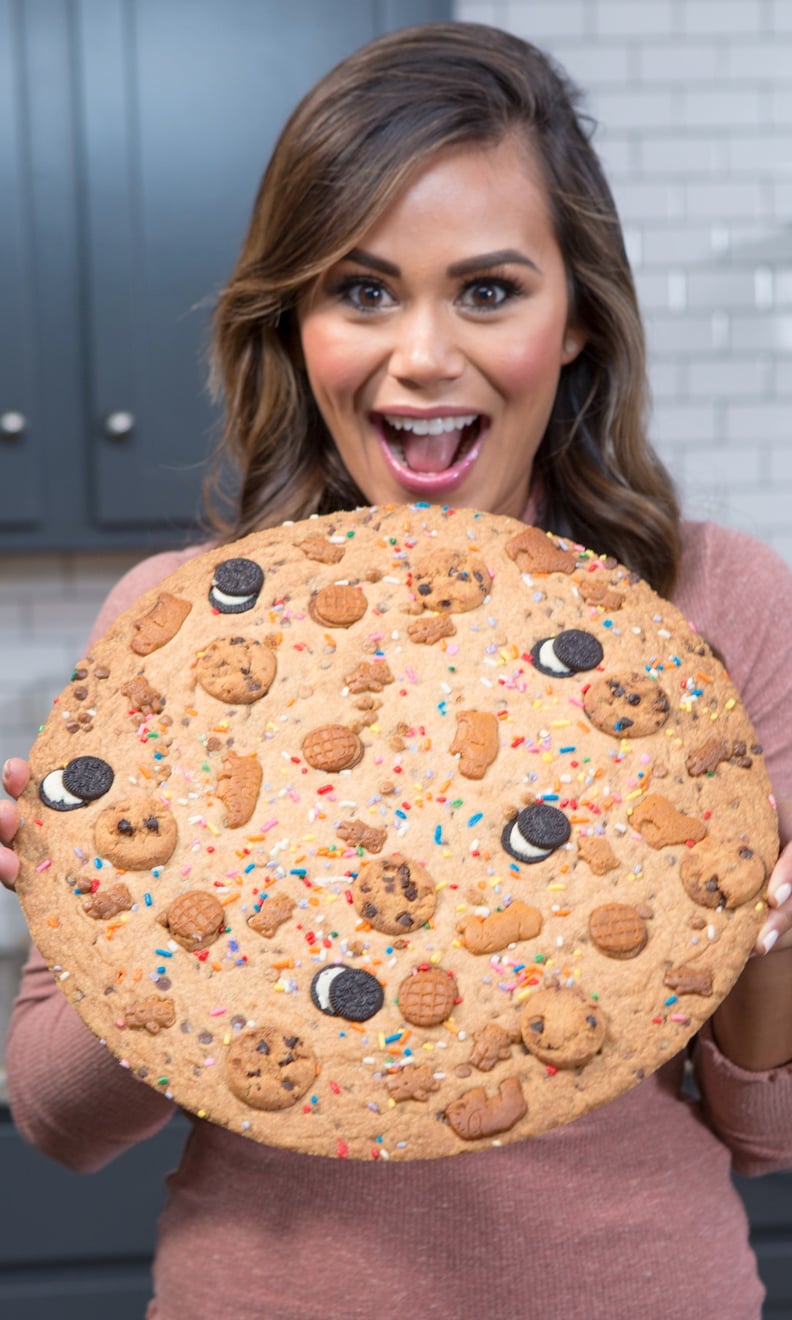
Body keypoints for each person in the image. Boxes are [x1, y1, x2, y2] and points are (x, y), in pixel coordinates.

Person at [1, 21, 791, 1319]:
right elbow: (58, 1119)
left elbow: (773, 1135)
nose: (422, 354)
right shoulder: (185, 640)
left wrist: (768, 932)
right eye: (362, 291)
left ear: (579, 319)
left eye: (488, 291)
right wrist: (143, 931)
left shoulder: (717, 608)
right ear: (296, 322)